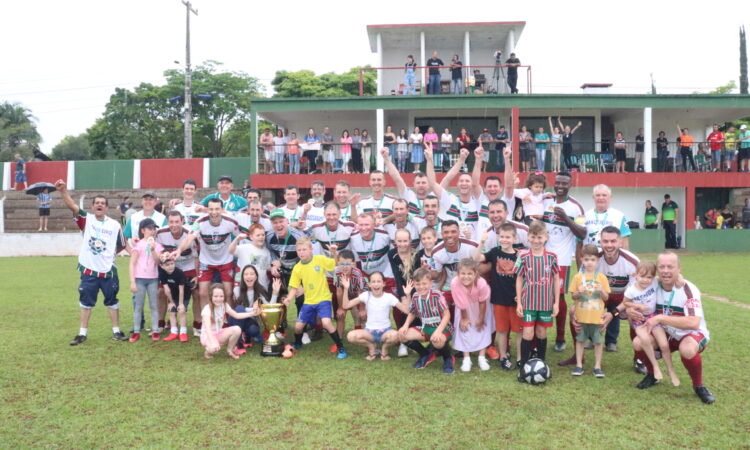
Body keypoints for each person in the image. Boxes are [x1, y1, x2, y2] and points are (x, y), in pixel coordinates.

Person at [626, 252, 715, 404]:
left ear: (679, 268)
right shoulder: (652, 284)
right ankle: (653, 375)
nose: (666, 270)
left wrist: (660, 318)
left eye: (670, 267)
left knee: (687, 349)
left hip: (690, 333)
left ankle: (699, 385)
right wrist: (630, 310)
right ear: (657, 270)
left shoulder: (688, 289)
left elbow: (694, 322)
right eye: (662, 267)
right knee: (638, 343)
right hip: (666, 332)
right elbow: (631, 299)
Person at [56, 180, 128, 345]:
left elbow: (122, 244)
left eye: (103, 203)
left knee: (112, 301)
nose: (99, 205)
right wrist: (63, 191)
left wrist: (109, 255)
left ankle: (116, 331)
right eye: (97, 203)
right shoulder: (86, 220)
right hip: (89, 271)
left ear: (107, 207)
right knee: (86, 302)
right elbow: (72, 206)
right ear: (92, 206)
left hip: (109, 271)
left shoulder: (115, 225)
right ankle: (82, 334)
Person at [540, 171, 586, 353]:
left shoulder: (576, 207)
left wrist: (565, 217)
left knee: (558, 297)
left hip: (562, 260)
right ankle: (539, 332)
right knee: (540, 294)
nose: (560, 186)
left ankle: (560, 337)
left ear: (570, 185)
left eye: (564, 184)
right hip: (541, 256)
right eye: (557, 182)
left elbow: (582, 233)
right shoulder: (545, 201)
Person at [173, 198, 239, 320]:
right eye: (211, 209)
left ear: (222, 210)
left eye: (217, 209)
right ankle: (207, 322)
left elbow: (242, 235)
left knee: (229, 293)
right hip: (206, 262)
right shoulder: (200, 222)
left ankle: (228, 320)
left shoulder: (230, 222)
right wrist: (179, 250)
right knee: (202, 293)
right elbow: (189, 238)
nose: (214, 212)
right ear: (207, 210)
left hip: (226, 261)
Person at [283, 237, 348, 358]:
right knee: (298, 327)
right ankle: (297, 343)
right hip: (309, 301)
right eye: (299, 250)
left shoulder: (319, 259)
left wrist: (334, 253)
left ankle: (341, 348)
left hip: (323, 299)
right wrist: (288, 298)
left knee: (326, 323)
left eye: (304, 249)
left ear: (311, 249)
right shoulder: (297, 268)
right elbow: (294, 287)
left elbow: (336, 263)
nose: (301, 252)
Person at [622, 260, 680, 386]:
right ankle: (655, 367)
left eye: (649, 277)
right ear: (635, 275)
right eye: (642, 276)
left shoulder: (654, 282)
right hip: (640, 321)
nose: (645, 280)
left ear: (653, 277)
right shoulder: (631, 290)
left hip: (653, 318)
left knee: (664, 345)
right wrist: (636, 305)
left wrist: (680, 277)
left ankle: (671, 371)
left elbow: (668, 277)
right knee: (645, 341)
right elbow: (625, 302)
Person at [514, 222, 559, 377]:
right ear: (528, 238)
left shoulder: (552, 257)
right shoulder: (524, 256)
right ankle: (524, 368)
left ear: (546, 237)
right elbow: (519, 279)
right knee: (527, 332)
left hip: (546, 303)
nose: (536, 240)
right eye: (533, 237)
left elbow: (555, 279)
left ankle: (542, 364)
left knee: (541, 331)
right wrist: (519, 302)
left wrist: (557, 303)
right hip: (528, 302)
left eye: (540, 237)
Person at [475, 223, 523, 370]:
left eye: (508, 237)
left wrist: (521, 297)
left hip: (516, 300)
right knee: (502, 330)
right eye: (502, 236)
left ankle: (521, 358)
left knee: (518, 331)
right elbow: (476, 258)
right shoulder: (495, 252)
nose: (504, 240)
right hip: (499, 299)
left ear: (514, 238)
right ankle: (503, 357)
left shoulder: (520, 255)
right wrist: (481, 241)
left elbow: (524, 278)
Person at [398, 268, 455, 373]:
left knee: (437, 341)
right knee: (402, 335)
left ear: (431, 283)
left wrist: (438, 331)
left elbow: (446, 315)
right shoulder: (415, 296)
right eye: (418, 284)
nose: (421, 287)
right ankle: (425, 354)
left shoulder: (437, 295)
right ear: (414, 284)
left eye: (424, 283)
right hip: (426, 327)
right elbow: (412, 313)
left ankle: (448, 358)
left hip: (443, 328)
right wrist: (405, 325)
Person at [341, 271, 409, 360]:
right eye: (373, 282)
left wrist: (407, 294)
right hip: (369, 333)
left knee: (397, 335)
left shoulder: (389, 297)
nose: (376, 284)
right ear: (369, 284)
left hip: (385, 332)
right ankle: (371, 346)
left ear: (383, 284)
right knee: (350, 336)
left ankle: (384, 348)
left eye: (378, 281)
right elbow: (346, 305)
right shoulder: (366, 295)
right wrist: (346, 289)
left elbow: (406, 310)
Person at [568, 244, 610, 377]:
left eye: (592, 260)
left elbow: (606, 297)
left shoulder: (602, 277)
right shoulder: (578, 277)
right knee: (580, 341)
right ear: (581, 260)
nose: (589, 263)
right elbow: (573, 296)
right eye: (586, 260)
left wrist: (601, 290)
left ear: (597, 261)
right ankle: (579, 365)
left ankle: (597, 366)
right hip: (582, 317)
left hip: (596, 317)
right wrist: (578, 292)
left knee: (598, 342)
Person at [156, 211, 200, 336]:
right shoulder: (160, 234)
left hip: (188, 268)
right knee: (161, 292)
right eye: (171, 222)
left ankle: (197, 325)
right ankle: (161, 323)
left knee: (196, 292)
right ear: (167, 222)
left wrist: (197, 275)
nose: (174, 225)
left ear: (182, 222)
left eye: (177, 222)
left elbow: (198, 256)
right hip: (169, 269)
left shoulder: (189, 234)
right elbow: (155, 250)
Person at [451, 259, 493, 372]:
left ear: (475, 274)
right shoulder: (455, 283)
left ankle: (481, 357)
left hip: (480, 306)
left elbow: (483, 302)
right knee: (464, 327)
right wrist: (464, 318)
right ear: (458, 274)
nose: (466, 277)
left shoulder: (481, 284)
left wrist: (481, 318)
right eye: (463, 273)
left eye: (470, 273)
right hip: (463, 306)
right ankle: (466, 358)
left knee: (482, 327)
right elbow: (461, 303)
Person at [128, 218, 165, 342]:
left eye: (154, 229)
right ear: (143, 230)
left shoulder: (158, 246)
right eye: (150, 228)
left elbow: (159, 262)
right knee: (138, 306)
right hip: (139, 279)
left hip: (153, 279)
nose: (153, 231)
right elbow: (132, 263)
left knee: (154, 305)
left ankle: (155, 330)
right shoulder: (138, 245)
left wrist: (154, 249)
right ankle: (136, 331)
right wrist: (132, 281)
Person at [200, 283, 255, 360]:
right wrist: (213, 341)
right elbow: (208, 329)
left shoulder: (224, 305)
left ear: (224, 296)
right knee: (213, 348)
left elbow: (236, 315)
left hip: (219, 332)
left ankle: (230, 350)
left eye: (221, 296)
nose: (218, 299)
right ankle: (208, 352)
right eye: (215, 296)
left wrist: (252, 313)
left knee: (237, 329)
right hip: (208, 335)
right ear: (211, 297)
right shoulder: (207, 309)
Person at [232, 265, 279, 349]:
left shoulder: (260, 290)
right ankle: (239, 343)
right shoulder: (237, 290)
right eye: (246, 274)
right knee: (240, 308)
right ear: (242, 277)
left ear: (256, 276)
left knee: (254, 330)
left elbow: (268, 308)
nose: (249, 276)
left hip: (250, 321)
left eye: (252, 274)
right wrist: (253, 310)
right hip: (237, 319)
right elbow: (238, 311)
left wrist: (275, 293)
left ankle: (247, 336)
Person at [580, 184, 631, 250]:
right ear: (593, 197)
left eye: (604, 195)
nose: (601, 198)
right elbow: (579, 240)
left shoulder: (619, 216)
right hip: (591, 258)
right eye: (598, 195)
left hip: (611, 257)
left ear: (610, 197)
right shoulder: (584, 215)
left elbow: (624, 242)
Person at [229, 223, 272, 296]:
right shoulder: (244, 248)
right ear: (251, 237)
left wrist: (275, 266)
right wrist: (237, 239)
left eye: (263, 235)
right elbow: (230, 250)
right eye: (258, 235)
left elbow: (267, 268)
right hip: (246, 287)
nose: (261, 237)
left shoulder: (266, 252)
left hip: (262, 287)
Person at [158, 258, 191, 342]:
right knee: (172, 312)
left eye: (172, 263)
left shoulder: (179, 273)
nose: (170, 266)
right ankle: (174, 333)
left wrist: (180, 304)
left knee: (181, 311)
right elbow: (167, 290)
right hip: (173, 295)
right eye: (167, 265)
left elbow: (181, 290)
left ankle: (183, 333)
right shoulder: (162, 273)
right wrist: (171, 302)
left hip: (184, 294)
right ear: (162, 266)